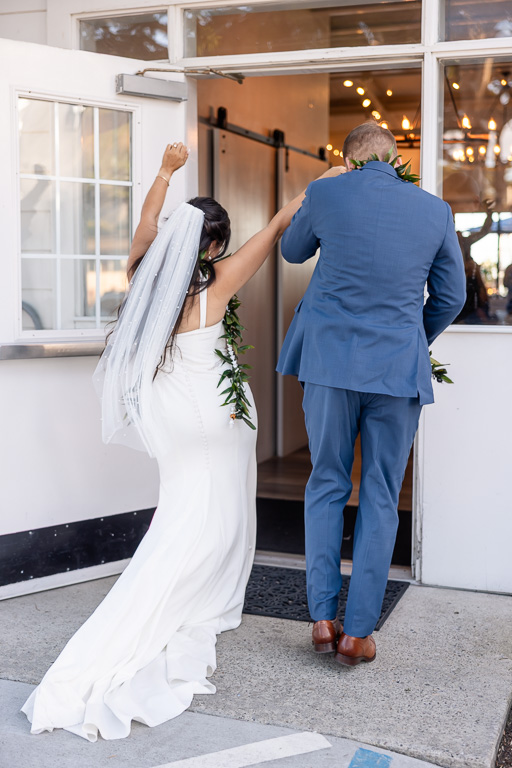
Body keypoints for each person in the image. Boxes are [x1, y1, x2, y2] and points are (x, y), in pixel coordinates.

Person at [21, 143, 342, 741]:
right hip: (216, 419)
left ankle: (199, 591)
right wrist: (324, 183)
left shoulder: (144, 273)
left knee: (185, 510)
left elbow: (146, 223)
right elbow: (278, 226)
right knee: (214, 513)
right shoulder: (215, 284)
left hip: (173, 424)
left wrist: (166, 173)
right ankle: (202, 597)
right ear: (214, 246)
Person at [277, 122, 466, 666]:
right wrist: (410, 339)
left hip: (329, 364)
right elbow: (450, 296)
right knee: (381, 494)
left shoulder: (326, 191)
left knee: (326, 482)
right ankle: (358, 633)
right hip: (394, 373)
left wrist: (322, 188)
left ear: (348, 159)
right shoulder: (434, 210)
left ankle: (320, 618)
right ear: (396, 157)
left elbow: (292, 251)